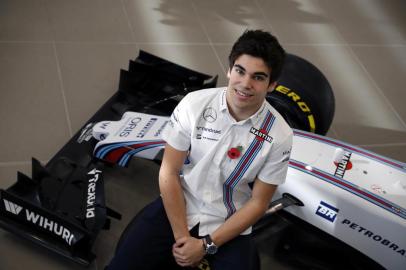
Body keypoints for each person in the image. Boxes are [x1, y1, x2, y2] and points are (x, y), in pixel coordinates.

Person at [107, 29, 293, 270]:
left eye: (258, 77)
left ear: (271, 85)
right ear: (229, 69)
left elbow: (258, 203)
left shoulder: (280, 136)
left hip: (229, 222)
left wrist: (205, 246)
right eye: (240, 71)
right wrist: (183, 237)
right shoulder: (194, 105)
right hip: (179, 205)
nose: (245, 84)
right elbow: (168, 172)